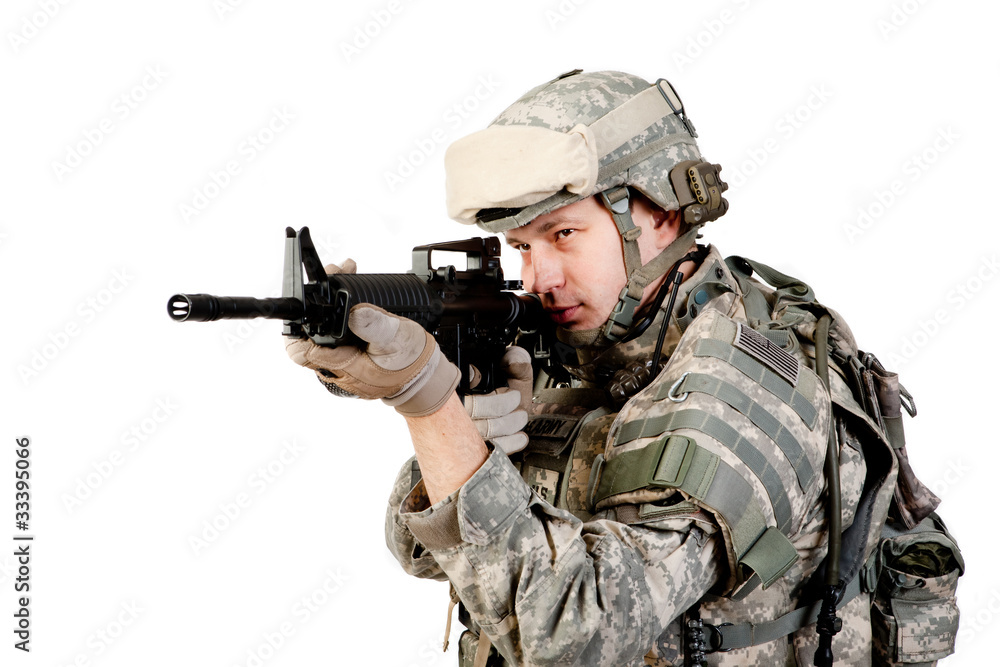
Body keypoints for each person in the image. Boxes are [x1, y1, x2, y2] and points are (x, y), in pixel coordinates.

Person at [286, 70, 961, 666]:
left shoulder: (750, 381)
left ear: (662, 215)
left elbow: (573, 633)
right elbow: (421, 551)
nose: (539, 276)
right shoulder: (594, 340)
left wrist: (428, 403)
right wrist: (468, 415)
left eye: (563, 234)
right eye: (521, 245)